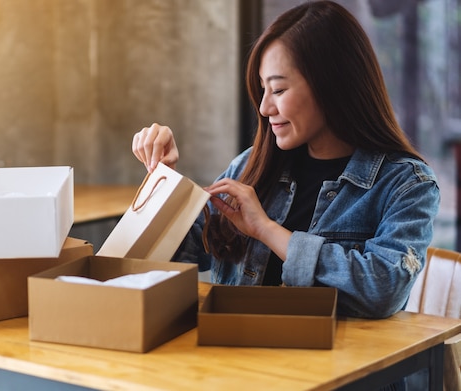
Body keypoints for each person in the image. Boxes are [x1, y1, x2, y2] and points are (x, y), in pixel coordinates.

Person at [132, 1, 440, 320]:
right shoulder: (251, 166)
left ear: (332, 85)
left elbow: (382, 290)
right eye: (263, 89)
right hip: (234, 359)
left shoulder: (406, 185)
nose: (265, 107)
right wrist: (164, 181)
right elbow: (186, 254)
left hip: (340, 367)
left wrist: (266, 230)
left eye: (278, 89)